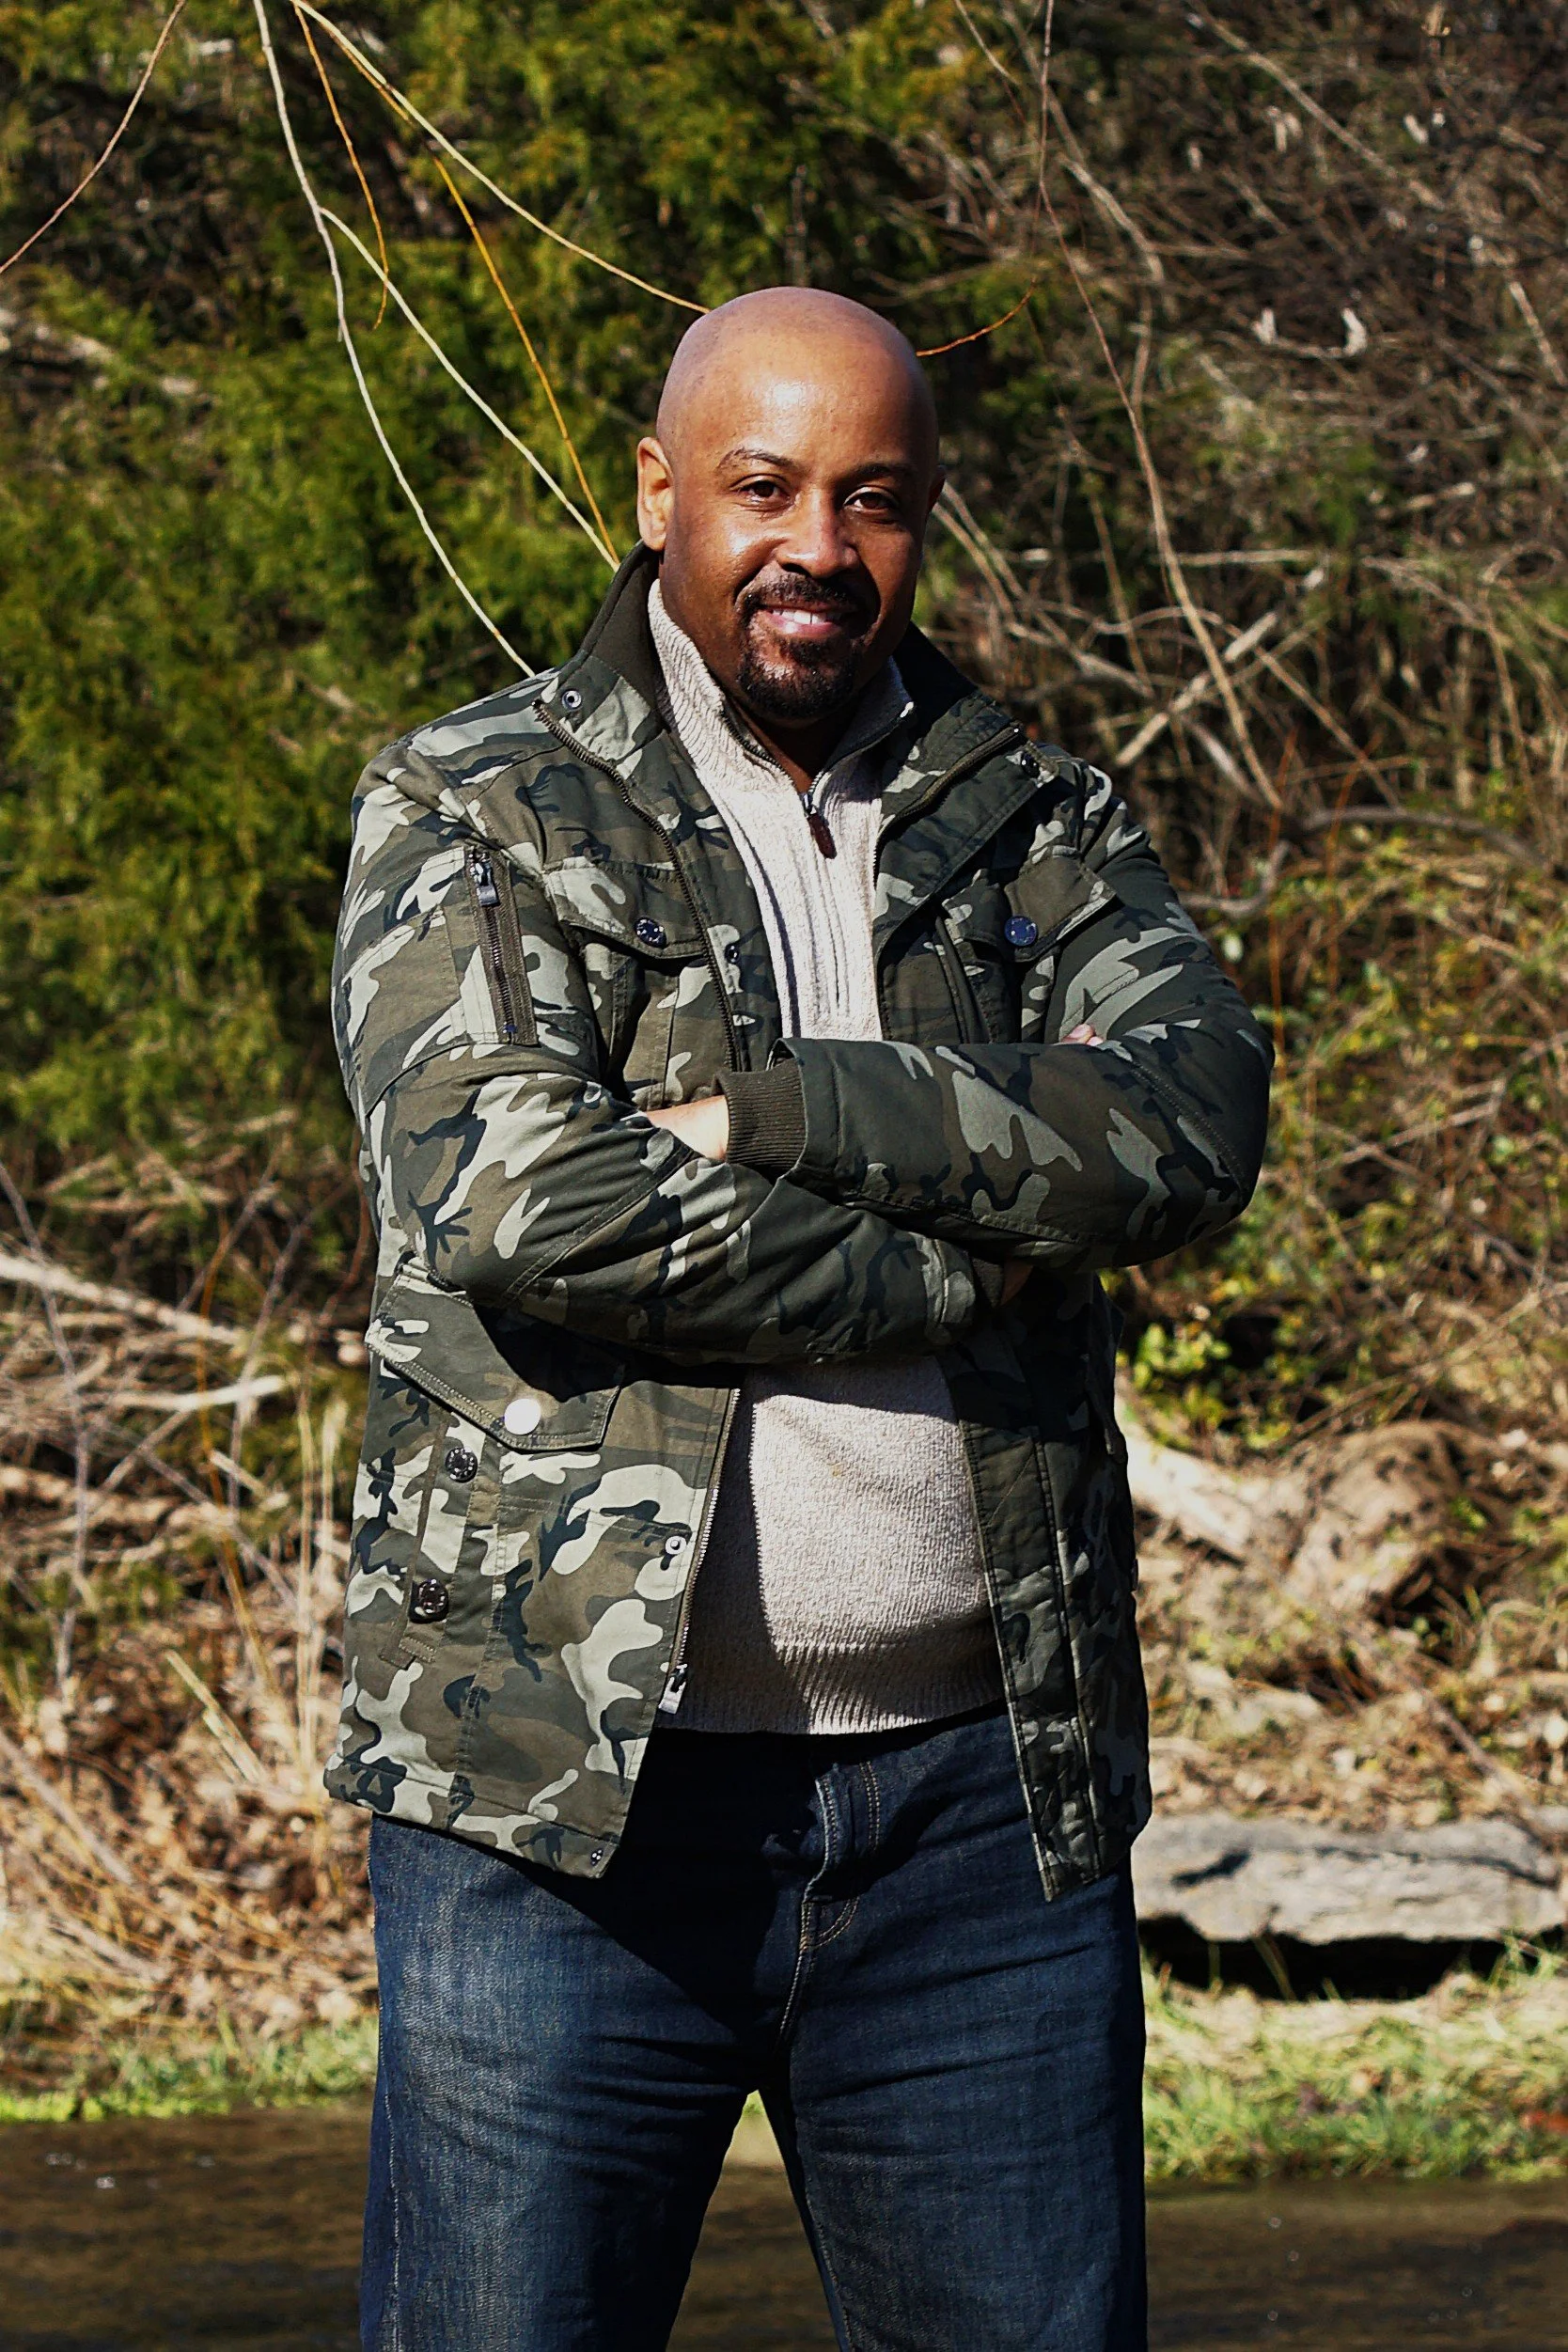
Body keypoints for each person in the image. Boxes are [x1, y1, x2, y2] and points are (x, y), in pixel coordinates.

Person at [330, 286, 1270, 2352]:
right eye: (763, 487)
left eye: (875, 497)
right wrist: (962, 1251)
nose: (817, 548)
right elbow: (524, 1202)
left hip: (980, 1823)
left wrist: (785, 1112)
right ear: (657, 490)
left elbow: (1192, 1119)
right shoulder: (481, 802)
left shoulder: (1037, 818)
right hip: (560, 1813)